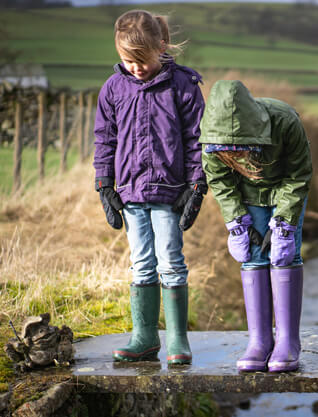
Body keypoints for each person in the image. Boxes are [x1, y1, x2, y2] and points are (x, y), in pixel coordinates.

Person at [93, 10, 206, 365]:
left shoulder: (183, 85)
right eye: (129, 61)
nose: (137, 68)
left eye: (143, 60)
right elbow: (104, 139)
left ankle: (177, 340)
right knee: (141, 263)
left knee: (171, 262)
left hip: (170, 192)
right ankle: (143, 337)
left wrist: (196, 184)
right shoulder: (113, 88)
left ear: (162, 47)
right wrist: (103, 184)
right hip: (129, 192)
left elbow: (196, 139)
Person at [199, 80, 312, 372]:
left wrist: (285, 223)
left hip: (286, 189)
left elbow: (299, 174)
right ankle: (259, 341)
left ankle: (288, 340)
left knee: (284, 254)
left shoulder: (285, 121)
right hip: (247, 196)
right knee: (253, 256)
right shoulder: (211, 138)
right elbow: (220, 182)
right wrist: (236, 222)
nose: (236, 157)